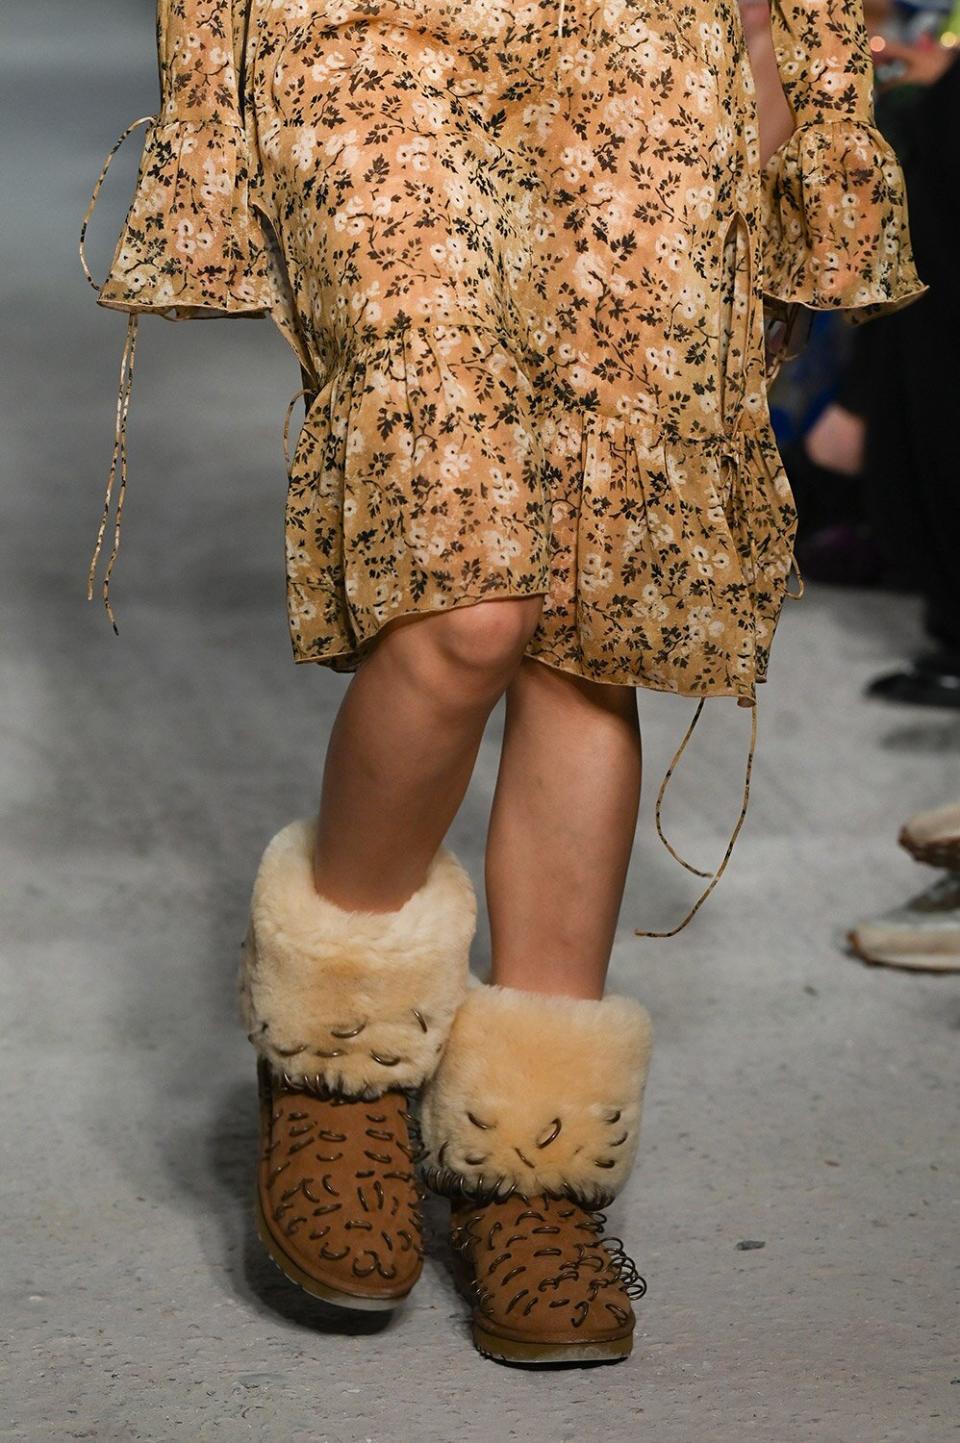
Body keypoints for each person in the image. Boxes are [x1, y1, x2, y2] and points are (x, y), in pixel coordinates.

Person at [82, 0, 924, 1366]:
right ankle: (337, 1055)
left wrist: (790, 66)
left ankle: (526, 1154)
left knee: (590, 608)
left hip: (658, 44)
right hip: (368, 38)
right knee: (468, 603)